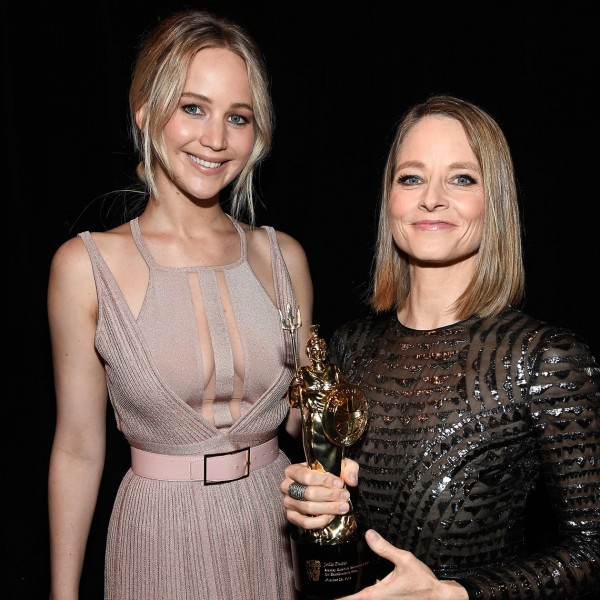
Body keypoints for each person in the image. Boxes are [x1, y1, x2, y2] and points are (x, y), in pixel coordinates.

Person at [281, 94, 600, 599]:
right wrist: (310, 503)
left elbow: (591, 552)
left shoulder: (547, 357)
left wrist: (457, 593)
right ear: (389, 199)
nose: (432, 198)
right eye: (411, 177)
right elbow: (339, 516)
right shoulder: (349, 348)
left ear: (493, 199)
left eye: (461, 178)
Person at [47, 9, 312, 600]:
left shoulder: (283, 257)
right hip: (160, 538)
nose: (215, 139)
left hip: (275, 532)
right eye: (193, 108)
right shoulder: (84, 268)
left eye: (236, 117)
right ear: (146, 112)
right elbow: (78, 448)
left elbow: (306, 423)